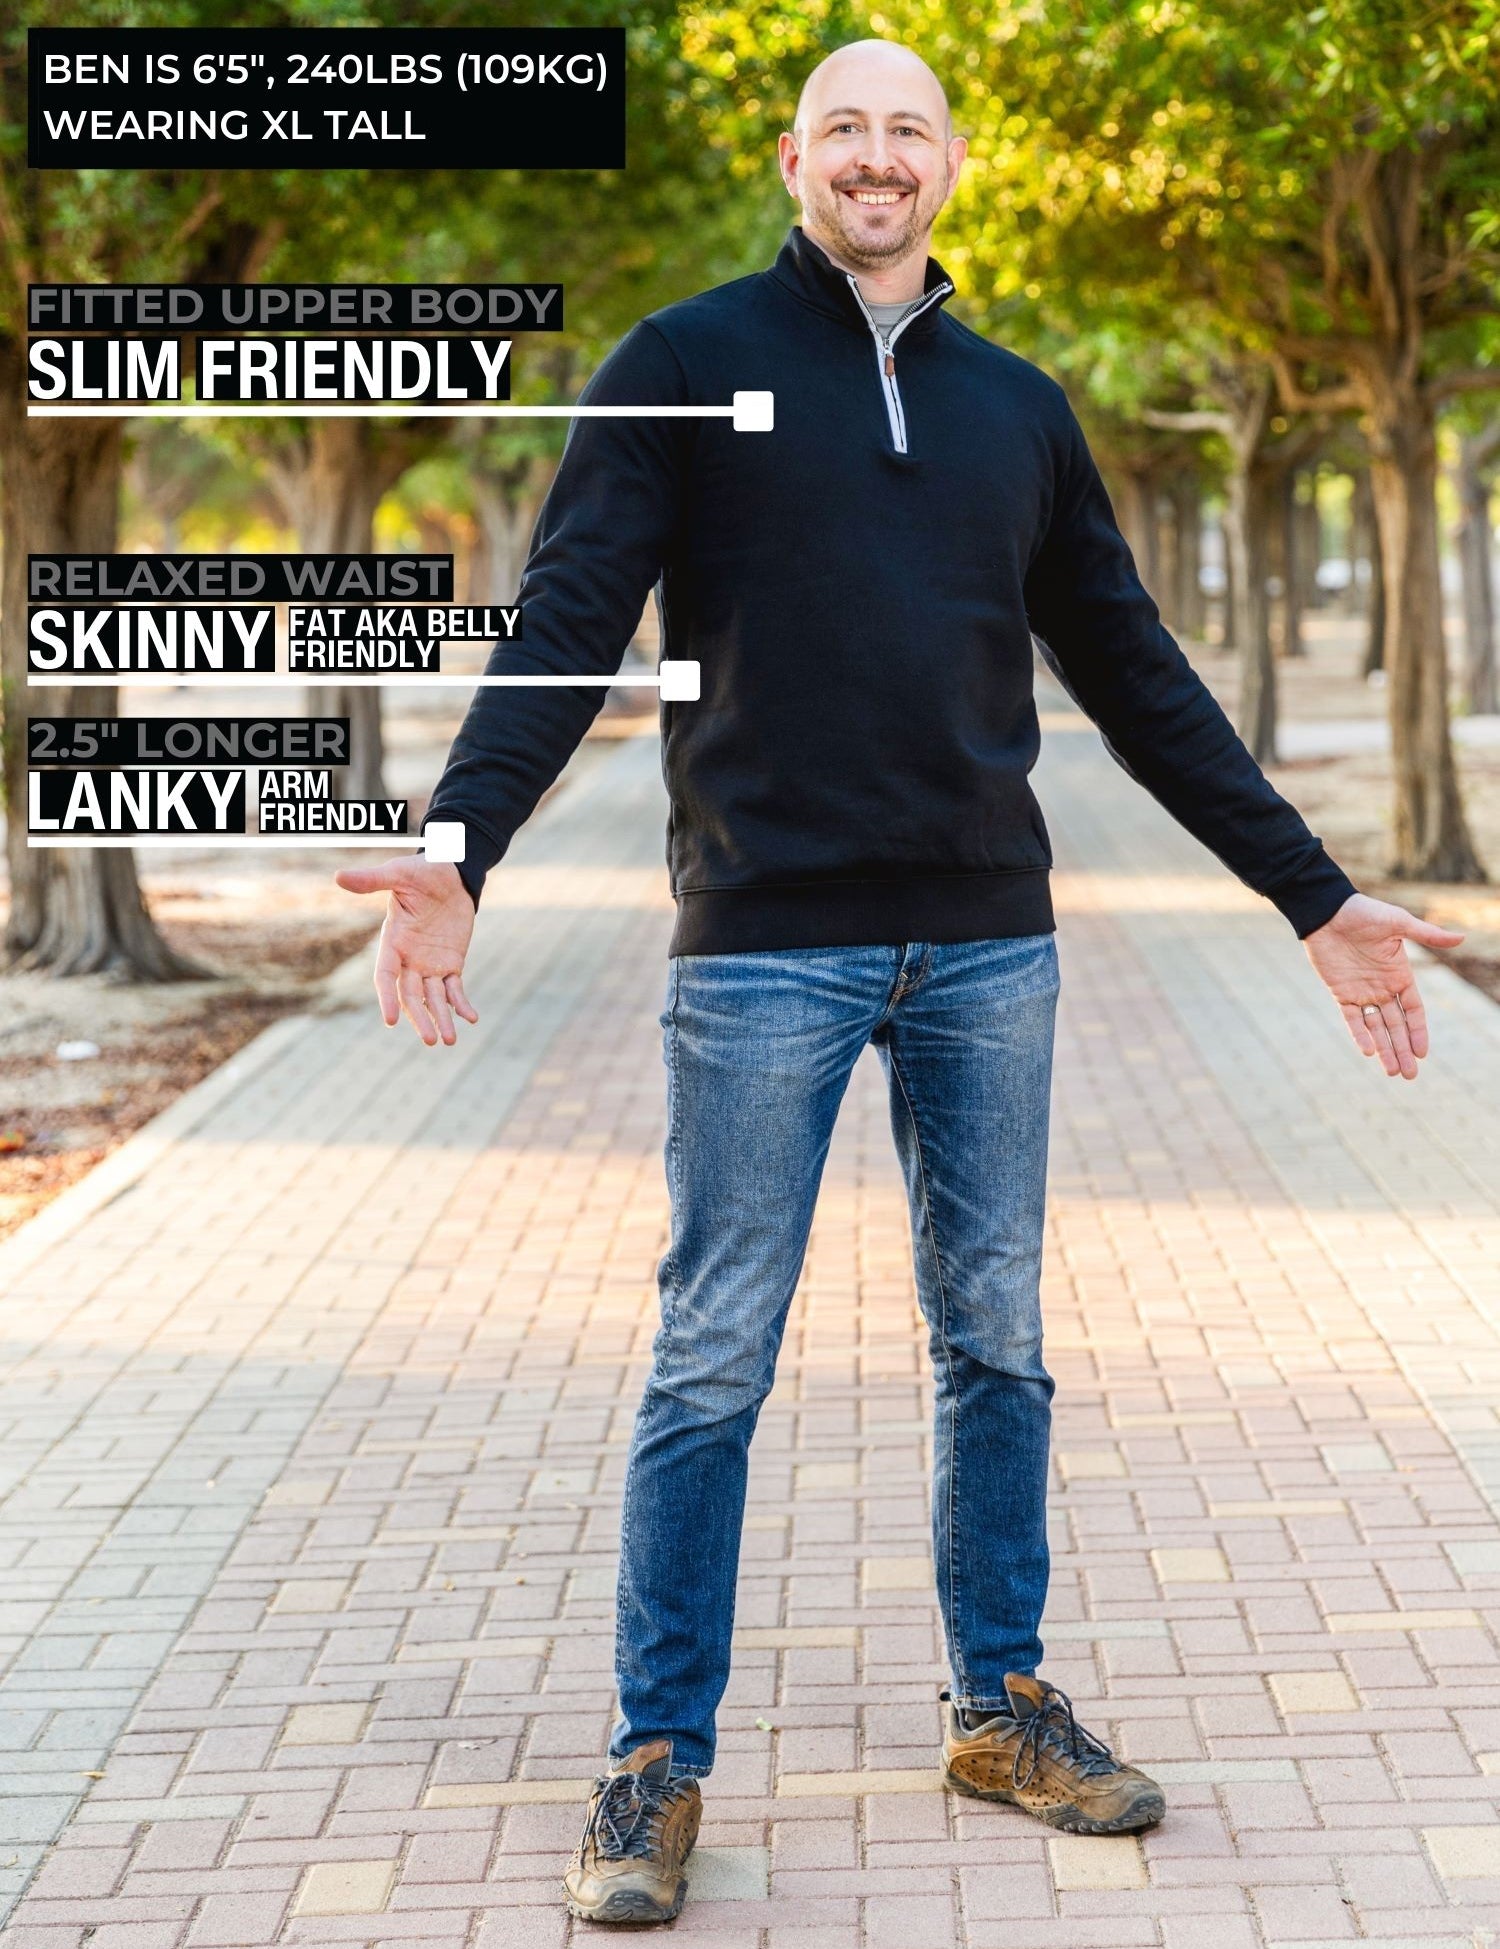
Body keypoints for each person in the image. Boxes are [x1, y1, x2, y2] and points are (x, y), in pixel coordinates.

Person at [336, 39, 1464, 1928]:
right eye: (843, 128)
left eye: (907, 130)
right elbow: (567, 615)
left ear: (953, 164)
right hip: (764, 940)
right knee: (714, 1350)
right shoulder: (681, 365)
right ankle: (653, 1759)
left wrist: (1315, 895)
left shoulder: (1021, 409)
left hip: (989, 944)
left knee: (997, 1335)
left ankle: (1002, 1702)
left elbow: (1141, 675)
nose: (876, 157)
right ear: (796, 158)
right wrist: (460, 847)